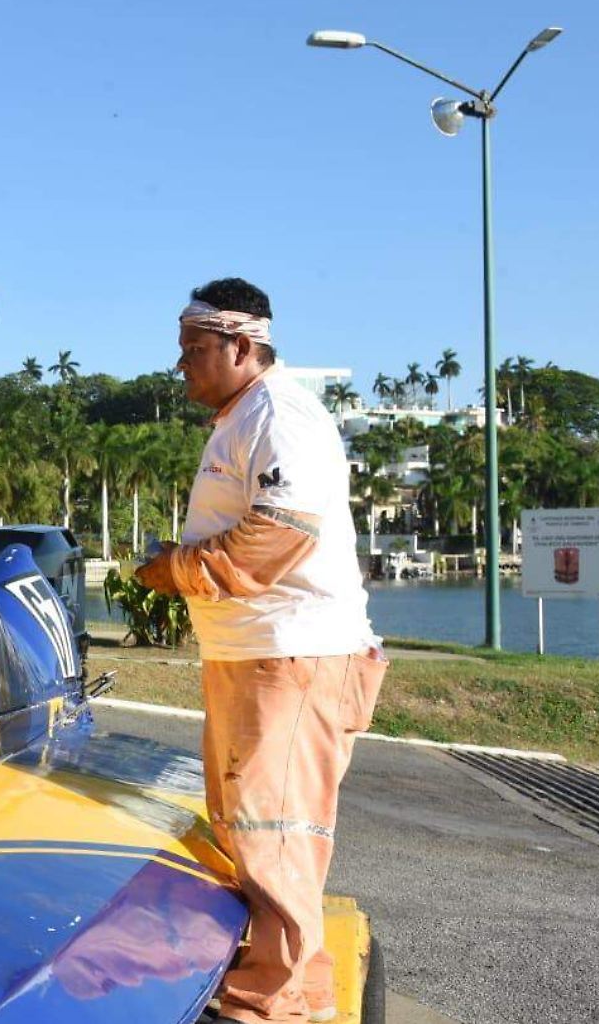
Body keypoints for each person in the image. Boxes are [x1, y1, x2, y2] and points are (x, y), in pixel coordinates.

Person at [135, 278, 386, 1024]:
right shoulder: (243, 417)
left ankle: (264, 1010)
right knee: (251, 831)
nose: (181, 364)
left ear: (242, 346)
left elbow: (279, 536)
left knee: (275, 837)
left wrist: (170, 570)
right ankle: (289, 995)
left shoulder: (281, 416)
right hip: (259, 656)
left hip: (296, 656)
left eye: (195, 349)